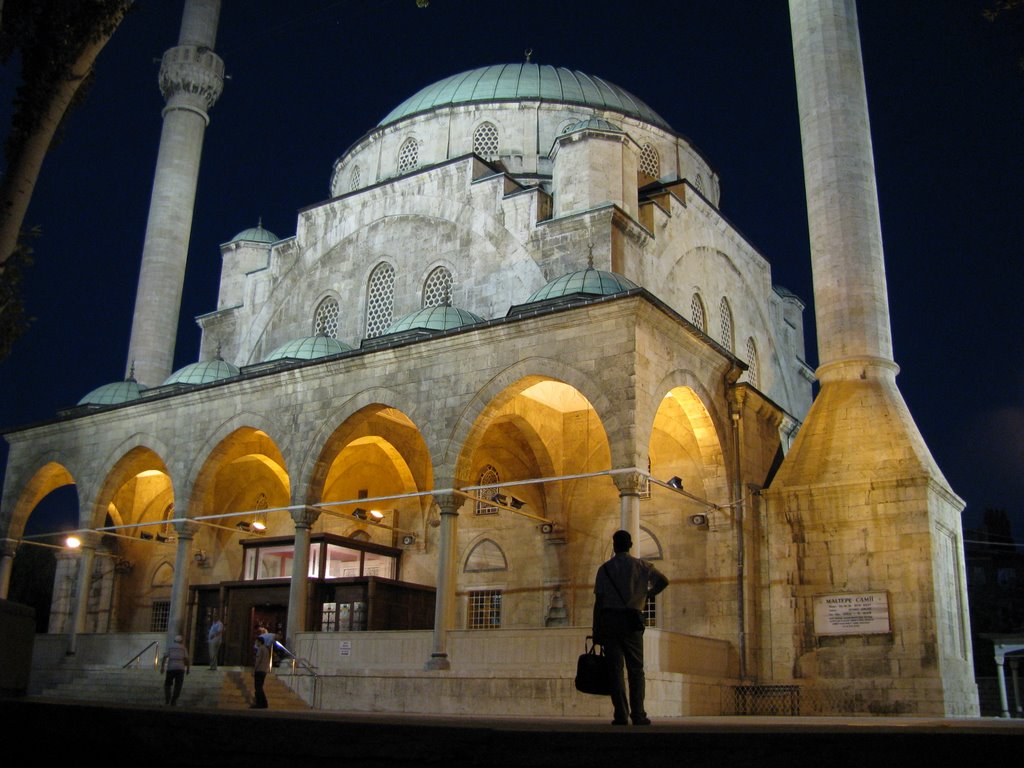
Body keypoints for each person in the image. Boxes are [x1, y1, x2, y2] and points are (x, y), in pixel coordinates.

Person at [593, 529, 668, 726]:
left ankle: (620, 715)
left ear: (614, 545)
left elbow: (599, 601)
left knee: (615, 669)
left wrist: (596, 629)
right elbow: (663, 581)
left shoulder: (605, 569)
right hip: (632, 619)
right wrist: (647, 595)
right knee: (636, 669)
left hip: (610, 620)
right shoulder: (642, 566)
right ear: (631, 545)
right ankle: (638, 714)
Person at [160, 635, 191, 706]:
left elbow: (165, 657)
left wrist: (162, 667)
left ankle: (167, 699)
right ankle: (174, 700)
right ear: (181, 641)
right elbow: (187, 659)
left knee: (167, 684)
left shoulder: (170, 647)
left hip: (171, 667)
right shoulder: (183, 648)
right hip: (180, 668)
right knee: (178, 685)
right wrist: (188, 669)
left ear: (174, 641)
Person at [251, 633, 271, 709]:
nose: (255, 643)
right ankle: (264, 703)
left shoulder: (260, 649)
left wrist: (254, 669)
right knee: (260, 687)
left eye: (256, 641)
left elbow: (258, 660)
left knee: (258, 688)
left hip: (259, 670)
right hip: (264, 670)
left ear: (259, 641)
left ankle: (259, 703)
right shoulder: (266, 649)